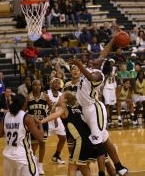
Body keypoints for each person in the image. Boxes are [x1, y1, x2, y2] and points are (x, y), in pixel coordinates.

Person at [69, 37, 128, 175]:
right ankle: (119, 166)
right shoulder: (95, 67)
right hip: (87, 110)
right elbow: (104, 52)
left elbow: (90, 77)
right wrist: (114, 39)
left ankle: (102, 173)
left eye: (97, 61)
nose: (95, 60)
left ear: (101, 67)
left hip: (94, 110)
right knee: (105, 139)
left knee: (98, 144)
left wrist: (79, 64)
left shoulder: (98, 76)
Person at [42, 91, 106, 176]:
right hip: (89, 140)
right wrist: (56, 104)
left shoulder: (64, 109)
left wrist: (41, 121)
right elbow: (54, 110)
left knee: (72, 167)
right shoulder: (75, 108)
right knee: (83, 167)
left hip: (81, 141)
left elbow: (55, 114)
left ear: (65, 100)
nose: (59, 97)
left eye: (61, 96)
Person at [0, 94, 44, 176]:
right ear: (24, 104)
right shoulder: (27, 117)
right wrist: (40, 124)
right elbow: (40, 138)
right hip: (23, 158)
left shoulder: (6, 116)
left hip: (8, 158)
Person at [27, 80, 52, 175]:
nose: (37, 86)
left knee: (42, 143)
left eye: (39, 85)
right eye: (35, 85)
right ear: (32, 86)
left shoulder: (45, 96)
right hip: (32, 125)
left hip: (43, 123)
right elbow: (23, 111)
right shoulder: (28, 97)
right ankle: (34, 161)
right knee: (33, 146)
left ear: (41, 86)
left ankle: (40, 165)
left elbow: (52, 108)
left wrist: (55, 120)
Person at [47, 78, 66, 164]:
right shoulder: (46, 93)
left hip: (57, 119)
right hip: (46, 119)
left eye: (58, 83)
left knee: (63, 138)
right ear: (51, 84)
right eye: (55, 82)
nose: (57, 84)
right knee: (40, 140)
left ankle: (56, 155)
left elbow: (62, 108)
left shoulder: (61, 95)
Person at [103, 60, 117, 127]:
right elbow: (103, 79)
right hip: (106, 88)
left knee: (111, 105)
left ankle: (110, 118)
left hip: (113, 88)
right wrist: (107, 75)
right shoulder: (105, 69)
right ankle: (107, 119)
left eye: (112, 62)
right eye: (110, 62)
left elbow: (116, 78)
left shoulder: (115, 68)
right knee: (107, 104)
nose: (111, 63)